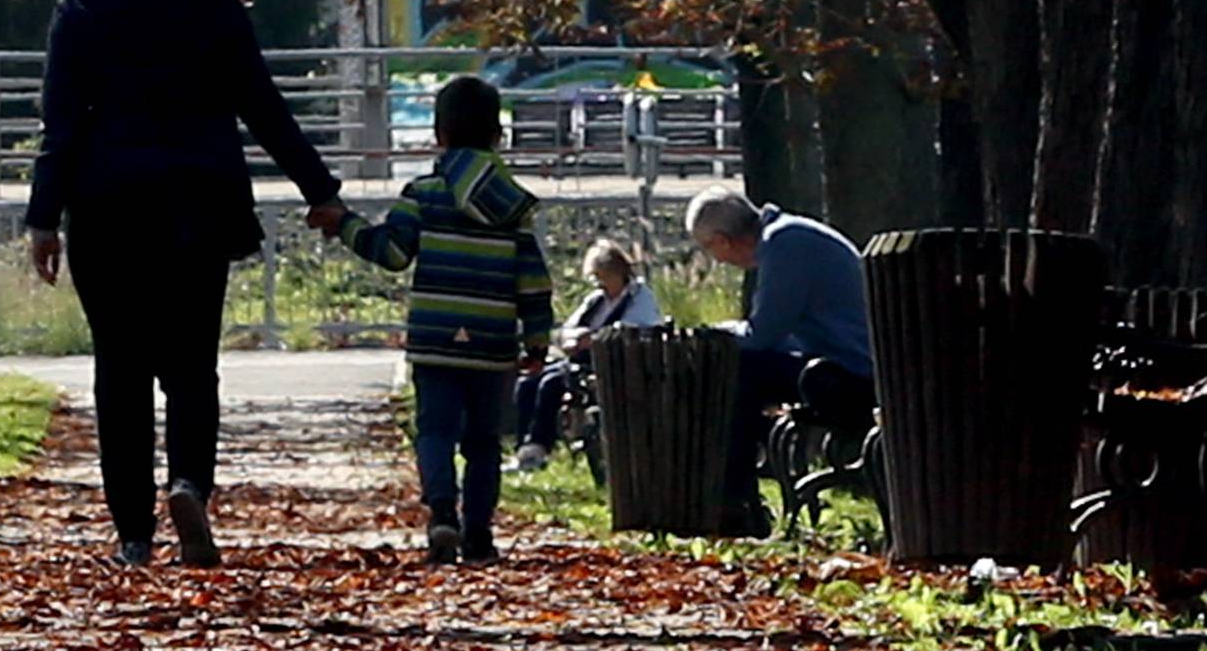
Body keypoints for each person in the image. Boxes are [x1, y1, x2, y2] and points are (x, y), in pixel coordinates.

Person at [25, 0, 339, 569]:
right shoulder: (214, 3)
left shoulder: (85, 3)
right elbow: (263, 105)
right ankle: (190, 483)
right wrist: (318, 190)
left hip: (106, 206)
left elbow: (62, 122)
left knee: (121, 372)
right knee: (192, 366)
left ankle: (133, 532)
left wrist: (43, 218)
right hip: (197, 203)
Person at [318, 74, 553, 566]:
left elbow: (394, 252)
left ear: (437, 134)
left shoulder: (423, 192)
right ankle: (480, 535)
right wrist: (536, 339)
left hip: (434, 337)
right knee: (485, 441)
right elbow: (532, 279)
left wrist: (346, 224)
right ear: (498, 137)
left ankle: (442, 512)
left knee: (435, 431)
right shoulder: (513, 205)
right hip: (492, 342)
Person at [683, 186, 874, 535]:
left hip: (851, 375)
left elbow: (763, 335)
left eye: (710, 249)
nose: (717, 259)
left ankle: (734, 501)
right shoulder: (789, 236)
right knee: (745, 371)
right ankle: (736, 496)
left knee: (739, 372)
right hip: (845, 364)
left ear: (722, 241)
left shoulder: (784, 245)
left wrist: (717, 333)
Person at [513, 237, 662, 471]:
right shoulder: (596, 301)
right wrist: (572, 339)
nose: (599, 282)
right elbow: (567, 329)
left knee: (551, 384)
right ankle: (524, 449)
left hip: (609, 364)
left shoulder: (639, 298)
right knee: (528, 382)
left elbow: (637, 332)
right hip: (577, 360)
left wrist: (593, 340)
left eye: (603, 276)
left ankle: (539, 447)